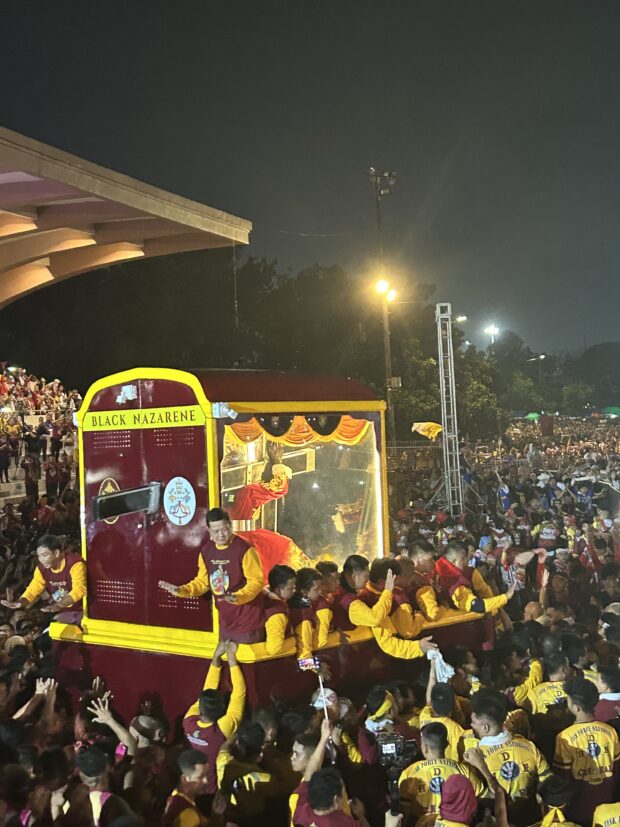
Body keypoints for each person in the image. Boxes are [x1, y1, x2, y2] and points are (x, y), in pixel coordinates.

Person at [159, 507, 265, 642]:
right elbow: (202, 583)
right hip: (226, 622)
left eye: (224, 530)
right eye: (215, 531)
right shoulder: (206, 551)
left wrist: (238, 597)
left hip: (248, 622)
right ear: (209, 531)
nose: (220, 535)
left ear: (230, 526)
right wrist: (181, 590)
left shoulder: (244, 549)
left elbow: (256, 581)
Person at [553, 676, 620, 823]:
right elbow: (616, 771)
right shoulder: (610, 731)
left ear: (576, 708)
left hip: (578, 809)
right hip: (607, 807)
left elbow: (563, 777)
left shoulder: (564, 738)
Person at [182, 640, 246, 795]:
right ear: (223, 709)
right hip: (213, 791)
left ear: (200, 710)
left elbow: (206, 692)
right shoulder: (222, 728)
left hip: (191, 790)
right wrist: (231, 659)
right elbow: (239, 693)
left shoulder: (188, 721)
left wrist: (216, 658)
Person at [398, 722, 484, 825]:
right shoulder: (464, 771)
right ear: (447, 745)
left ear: (424, 747)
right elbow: (482, 798)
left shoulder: (409, 773)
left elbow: (403, 812)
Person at [0, 533, 86, 620]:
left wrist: (58, 605)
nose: (41, 559)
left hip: (85, 610)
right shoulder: (42, 569)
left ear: (56, 553)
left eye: (44, 555)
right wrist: (21, 602)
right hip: (64, 612)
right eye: (39, 556)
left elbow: (80, 589)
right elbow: (34, 588)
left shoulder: (75, 564)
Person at [163, 749, 226, 827]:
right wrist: (217, 815)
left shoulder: (175, 795)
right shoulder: (187, 814)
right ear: (185, 779)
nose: (206, 781)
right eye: (201, 777)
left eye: (206, 775)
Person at [293, 767, 369, 827]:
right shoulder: (342, 823)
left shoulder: (301, 808)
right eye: (343, 793)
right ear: (335, 800)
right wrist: (361, 816)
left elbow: (307, 778)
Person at [264, 564, 296, 656]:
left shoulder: (265, 594)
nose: (294, 590)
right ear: (277, 590)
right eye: (290, 588)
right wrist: (295, 640)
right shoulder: (277, 613)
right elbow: (274, 649)